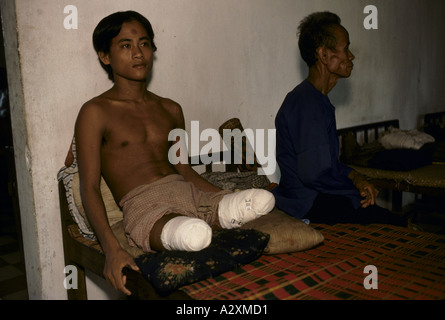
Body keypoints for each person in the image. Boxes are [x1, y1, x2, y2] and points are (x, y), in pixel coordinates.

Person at [74, 11, 274, 295]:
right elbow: (89, 187)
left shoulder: (171, 109)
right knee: (193, 235)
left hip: (187, 193)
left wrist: (220, 196)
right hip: (145, 205)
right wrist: (111, 249)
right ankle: (192, 227)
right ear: (105, 56)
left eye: (144, 44)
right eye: (125, 45)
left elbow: (183, 169)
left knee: (261, 199)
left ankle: (220, 211)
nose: (138, 53)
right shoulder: (95, 112)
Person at [272, 11, 406, 226]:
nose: (351, 56)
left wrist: (356, 177)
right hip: (307, 203)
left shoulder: (316, 99)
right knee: (399, 228)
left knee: (388, 218)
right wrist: (352, 188)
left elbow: (327, 165)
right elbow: (314, 175)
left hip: (317, 197)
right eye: (346, 49)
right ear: (324, 55)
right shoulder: (307, 103)